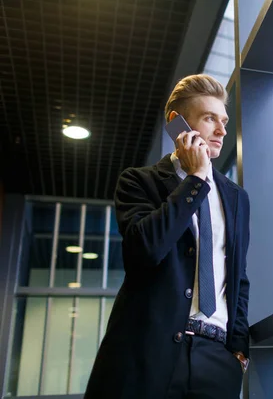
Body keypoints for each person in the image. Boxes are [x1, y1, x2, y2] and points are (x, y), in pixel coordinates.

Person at [85, 74, 250, 399]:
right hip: (145, 354)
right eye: (209, 118)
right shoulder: (138, 182)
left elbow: (238, 278)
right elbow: (145, 251)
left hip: (216, 360)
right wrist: (196, 178)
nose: (221, 130)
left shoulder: (236, 197)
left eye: (224, 121)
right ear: (178, 125)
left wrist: (238, 351)